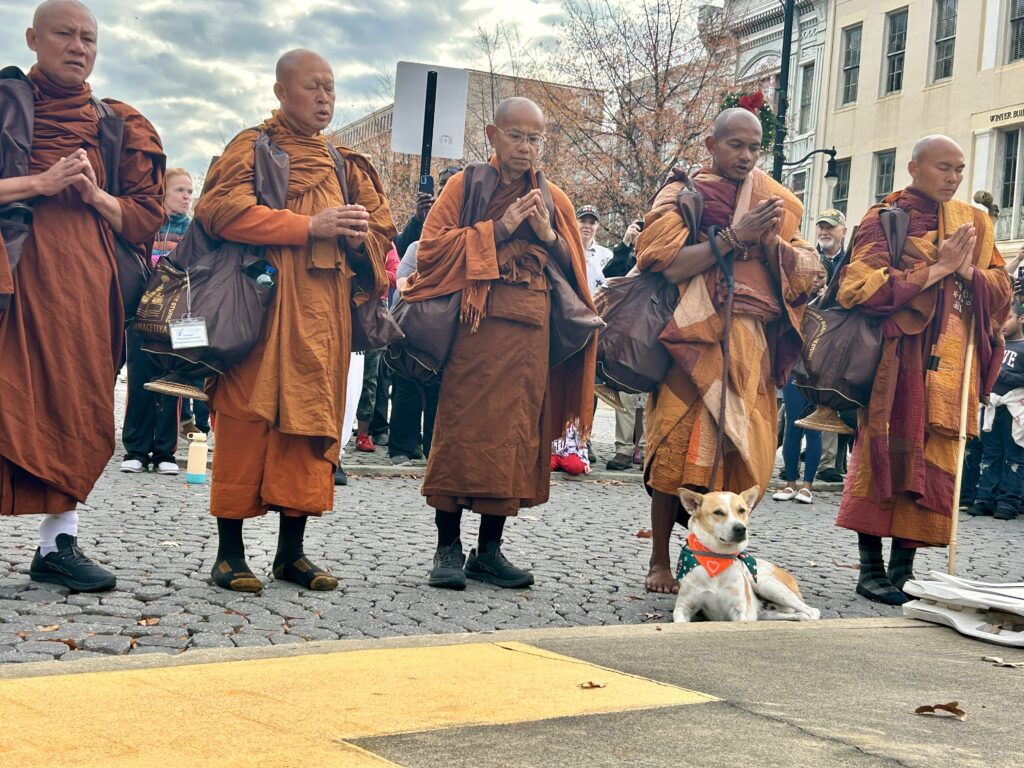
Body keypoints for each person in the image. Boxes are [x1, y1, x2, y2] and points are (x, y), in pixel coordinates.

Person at [194, 49, 395, 593]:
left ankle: (291, 553)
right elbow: (220, 211)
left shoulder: (344, 162)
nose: (325, 98)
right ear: (282, 92)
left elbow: (381, 231)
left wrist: (358, 239)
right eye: (312, 88)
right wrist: (309, 226)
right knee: (245, 423)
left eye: (330, 88)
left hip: (322, 318)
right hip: (261, 311)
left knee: (309, 428)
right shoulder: (253, 147)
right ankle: (228, 554)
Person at [0, 0, 165, 591]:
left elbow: (145, 218)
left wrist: (97, 197)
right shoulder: (7, 104)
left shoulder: (115, 123)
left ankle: (57, 544)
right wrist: (39, 183)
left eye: (88, 37)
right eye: (64, 34)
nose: (78, 46)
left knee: (77, 402)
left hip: (86, 289)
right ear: (31, 38)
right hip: (13, 280)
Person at [405, 97, 596, 590]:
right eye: (516, 136)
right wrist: (503, 227)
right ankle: (446, 548)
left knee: (515, 439)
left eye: (535, 138)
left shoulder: (552, 197)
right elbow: (429, 251)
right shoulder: (464, 186)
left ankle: (488, 550)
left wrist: (548, 233)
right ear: (493, 135)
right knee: (459, 434)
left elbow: (574, 267)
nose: (526, 147)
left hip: (530, 330)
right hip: (475, 329)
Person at [635, 107, 819, 593]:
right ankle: (658, 561)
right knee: (673, 455)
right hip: (690, 340)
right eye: (735, 145)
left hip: (750, 347)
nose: (746, 155)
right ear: (712, 145)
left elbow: (807, 268)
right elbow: (665, 263)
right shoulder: (683, 194)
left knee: (744, 455)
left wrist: (775, 245)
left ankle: (720, 557)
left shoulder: (775, 201)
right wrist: (737, 237)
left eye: (754, 147)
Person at [836, 135, 1012, 605]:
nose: (953, 178)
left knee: (932, 464)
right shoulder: (885, 219)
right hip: (897, 363)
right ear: (914, 168)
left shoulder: (974, 222)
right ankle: (870, 568)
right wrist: (939, 267)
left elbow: (1002, 287)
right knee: (882, 460)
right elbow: (861, 289)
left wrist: (968, 272)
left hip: (953, 366)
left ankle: (903, 569)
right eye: (943, 168)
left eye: (959, 168)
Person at [120, 168, 192, 475]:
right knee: (139, 381)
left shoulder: (195, 231)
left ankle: (165, 452)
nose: (187, 197)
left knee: (174, 384)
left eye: (190, 191)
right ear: (162, 192)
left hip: (182, 318)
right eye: (180, 190)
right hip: (143, 316)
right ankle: (135, 449)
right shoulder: (147, 226)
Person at [388, 167, 460, 467]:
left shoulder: (461, 238)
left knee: (438, 389)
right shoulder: (418, 242)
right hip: (413, 323)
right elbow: (402, 279)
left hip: (445, 327)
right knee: (406, 385)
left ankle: (434, 448)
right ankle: (401, 448)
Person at [969, 303, 1024, 521]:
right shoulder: (994, 345)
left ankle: (1009, 501)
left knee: (1014, 456)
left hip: (1014, 409)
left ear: (1021, 319)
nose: (1003, 323)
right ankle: (984, 499)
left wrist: (1003, 375)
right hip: (992, 406)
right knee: (990, 454)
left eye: (1008, 317)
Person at [603, 219, 648, 472]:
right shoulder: (627, 258)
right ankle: (623, 449)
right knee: (627, 394)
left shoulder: (662, 254)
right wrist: (625, 244)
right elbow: (609, 276)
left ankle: (648, 449)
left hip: (655, 332)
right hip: (628, 333)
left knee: (652, 398)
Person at [813, 209, 849, 483]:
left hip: (842, 339)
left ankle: (830, 464)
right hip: (812, 336)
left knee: (834, 400)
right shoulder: (809, 258)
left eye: (831, 228)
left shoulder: (851, 260)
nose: (825, 232)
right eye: (822, 227)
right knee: (797, 405)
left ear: (843, 231)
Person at [353, 242, 399, 453]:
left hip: (374, 313)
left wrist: (373, 269)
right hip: (348, 306)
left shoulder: (386, 243)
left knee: (370, 377)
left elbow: (395, 276)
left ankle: (364, 433)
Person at [577, 204, 612, 295]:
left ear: (597, 226)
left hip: (599, 307)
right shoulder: (566, 251)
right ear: (574, 222)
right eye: (582, 221)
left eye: (592, 222)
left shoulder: (607, 256)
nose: (587, 226)